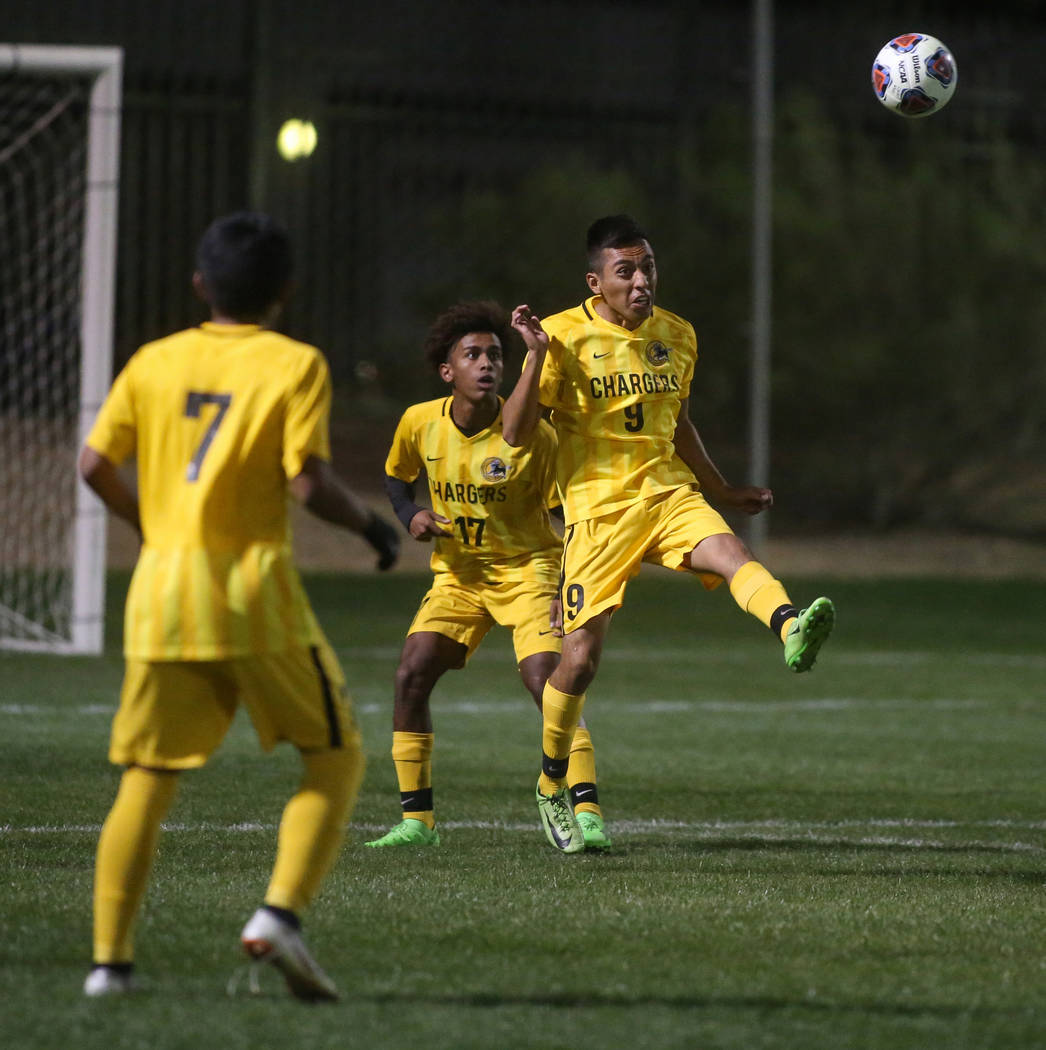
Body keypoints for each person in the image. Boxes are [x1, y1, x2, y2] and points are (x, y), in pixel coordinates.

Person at [78, 212, 400, 1000]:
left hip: (160, 593)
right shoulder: (294, 364)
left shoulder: (155, 360)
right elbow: (307, 480)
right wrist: (369, 525)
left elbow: (93, 463)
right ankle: (279, 914)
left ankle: (109, 967)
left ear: (200, 284)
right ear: (285, 292)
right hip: (252, 594)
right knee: (336, 755)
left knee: (147, 775)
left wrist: (150, 525)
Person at [502, 214, 834, 854]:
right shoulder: (563, 335)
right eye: (625, 270)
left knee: (731, 550)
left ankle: (791, 625)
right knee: (580, 662)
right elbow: (515, 434)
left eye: (647, 266)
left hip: (666, 491)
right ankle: (550, 784)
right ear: (595, 281)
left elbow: (677, 420)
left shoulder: (676, 335)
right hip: (596, 514)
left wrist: (720, 489)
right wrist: (535, 356)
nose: (641, 280)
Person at [366, 300, 610, 853]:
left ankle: (587, 811)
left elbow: (571, 515)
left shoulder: (532, 437)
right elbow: (396, 479)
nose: (486, 363)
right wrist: (413, 517)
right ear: (447, 371)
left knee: (548, 682)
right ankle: (417, 822)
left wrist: (568, 581)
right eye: (472, 354)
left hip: (530, 571)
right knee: (411, 674)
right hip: (458, 576)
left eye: (495, 354)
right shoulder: (419, 423)